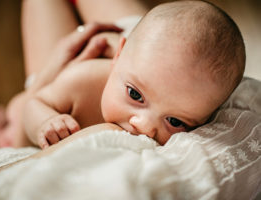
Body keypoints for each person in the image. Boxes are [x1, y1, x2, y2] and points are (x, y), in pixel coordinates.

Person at [23, 0, 246, 149]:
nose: (145, 126)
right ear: (118, 56)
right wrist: (46, 121)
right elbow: (35, 101)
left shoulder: (194, 97)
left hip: (156, 60)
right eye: (135, 95)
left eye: (174, 121)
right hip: (139, 40)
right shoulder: (82, 79)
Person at [0, 0, 123, 153]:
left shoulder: (12, 110)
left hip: (68, 72)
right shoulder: (13, 143)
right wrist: (55, 66)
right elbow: (28, 121)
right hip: (97, 71)